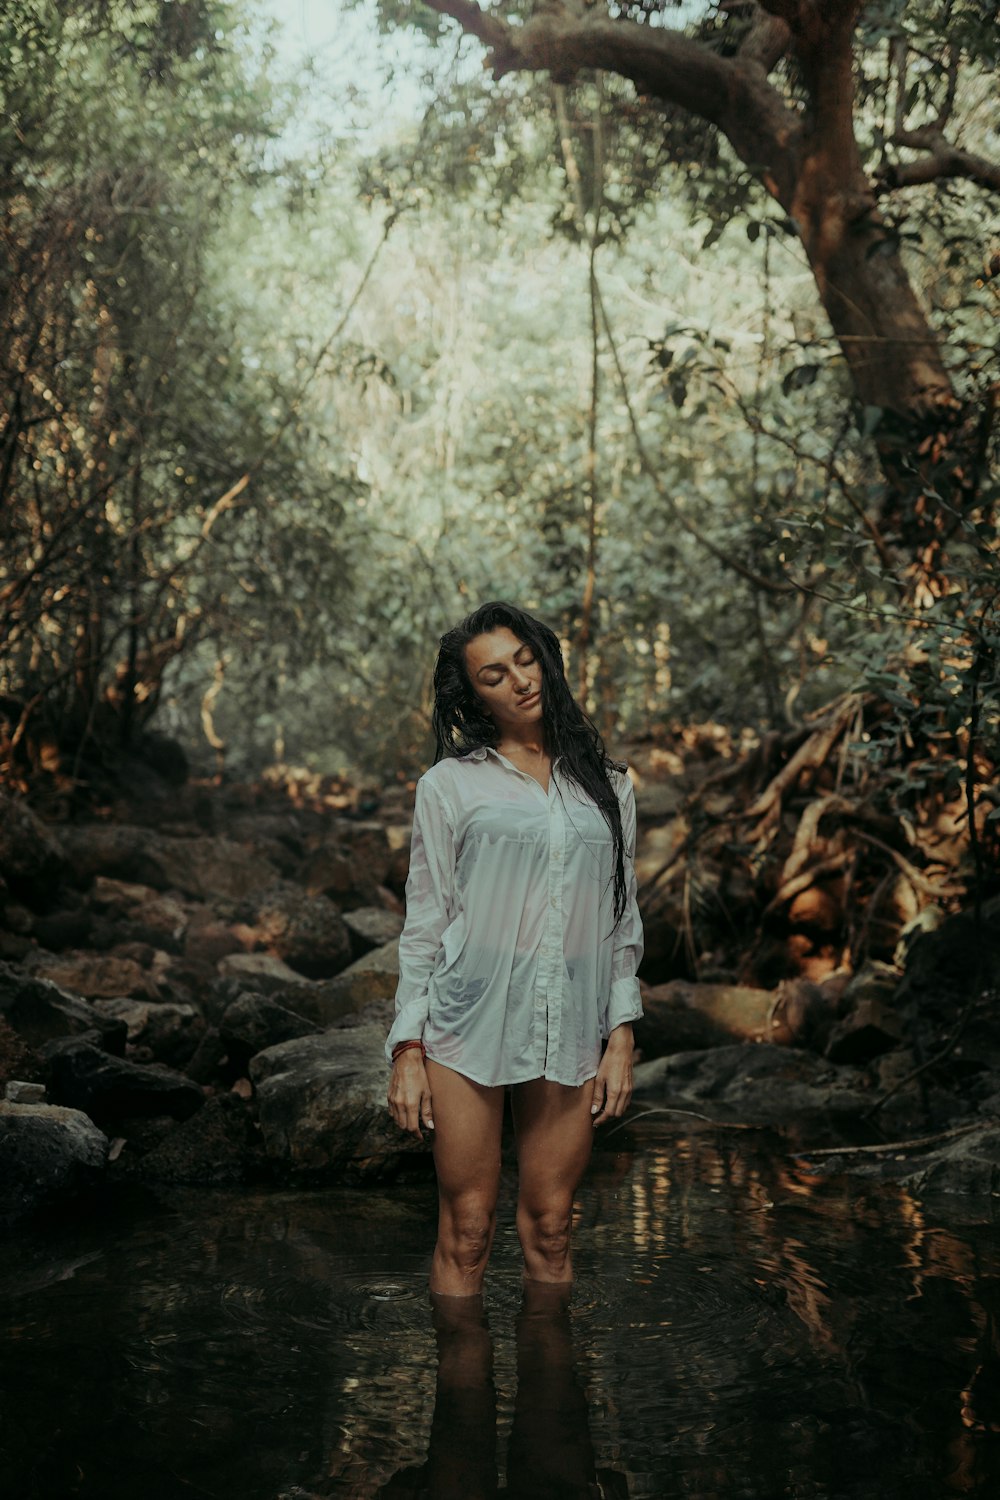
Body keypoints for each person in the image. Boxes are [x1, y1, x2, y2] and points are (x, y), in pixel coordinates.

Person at [386, 601, 644, 1296]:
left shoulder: (608, 786)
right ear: (474, 697)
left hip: (572, 1023)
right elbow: (426, 923)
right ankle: (462, 1399)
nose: (521, 681)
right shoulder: (448, 787)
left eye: (526, 659)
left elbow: (623, 920)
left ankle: (553, 1401)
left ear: (547, 659)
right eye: (494, 675)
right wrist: (407, 1050)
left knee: (552, 1226)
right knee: (468, 1227)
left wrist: (620, 1036)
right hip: (468, 1021)